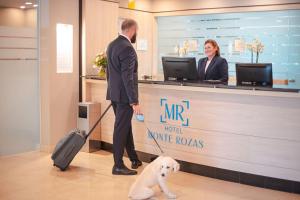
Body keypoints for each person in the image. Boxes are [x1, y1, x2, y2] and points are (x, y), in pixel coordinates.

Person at [106, 19, 142, 175]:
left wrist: (113, 91)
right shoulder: (128, 48)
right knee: (121, 129)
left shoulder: (112, 44)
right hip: (125, 97)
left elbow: (109, 73)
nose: (136, 35)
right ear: (132, 30)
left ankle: (134, 158)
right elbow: (128, 77)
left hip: (115, 94)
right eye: (136, 32)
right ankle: (118, 165)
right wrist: (134, 101)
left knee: (124, 127)